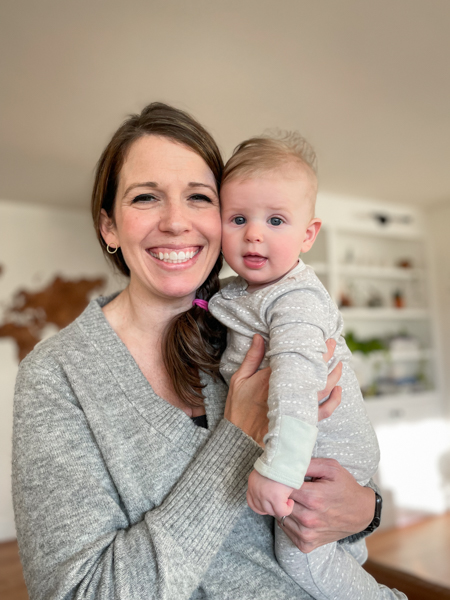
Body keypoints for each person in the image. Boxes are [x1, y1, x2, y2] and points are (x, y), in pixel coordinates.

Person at [13, 103, 380, 600]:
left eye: (199, 197)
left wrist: (366, 510)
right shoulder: (57, 375)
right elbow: (80, 593)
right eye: (146, 197)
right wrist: (237, 437)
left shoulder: (246, 321)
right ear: (109, 227)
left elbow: (338, 464)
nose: (176, 222)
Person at [209, 132, 406, 599]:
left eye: (276, 220)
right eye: (238, 218)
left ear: (308, 235)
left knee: (301, 554)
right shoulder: (239, 290)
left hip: (327, 451)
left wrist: (278, 469)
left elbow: (295, 388)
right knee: (338, 552)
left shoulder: (296, 300)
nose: (254, 234)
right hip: (309, 446)